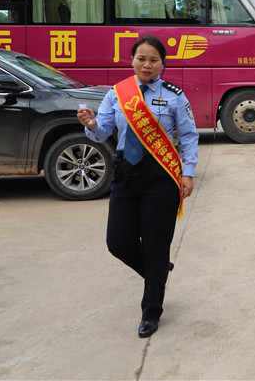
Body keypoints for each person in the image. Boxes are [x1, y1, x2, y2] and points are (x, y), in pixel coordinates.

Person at [77, 35, 199, 338]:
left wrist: (189, 172)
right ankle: (157, 271)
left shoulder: (174, 95)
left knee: (157, 245)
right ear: (132, 60)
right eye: (141, 58)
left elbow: (189, 136)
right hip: (125, 173)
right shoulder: (118, 94)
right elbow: (103, 131)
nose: (146, 64)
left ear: (162, 64)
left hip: (161, 175)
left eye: (153, 59)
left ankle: (151, 311)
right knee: (118, 242)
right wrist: (91, 124)